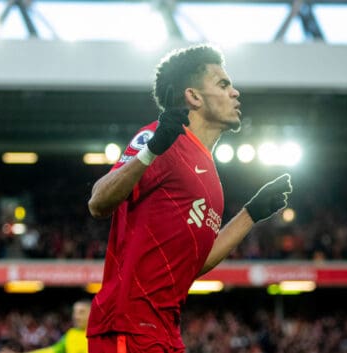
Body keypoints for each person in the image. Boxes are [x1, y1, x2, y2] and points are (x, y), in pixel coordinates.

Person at [86, 43, 293, 353]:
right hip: (127, 327)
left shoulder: (211, 177)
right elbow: (98, 201)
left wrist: (250, 214)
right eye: (223, 84)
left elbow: (195, 262)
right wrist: (154, 148)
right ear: (193, 96)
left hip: (167, 332)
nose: (235, 93)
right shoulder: (160, 138)